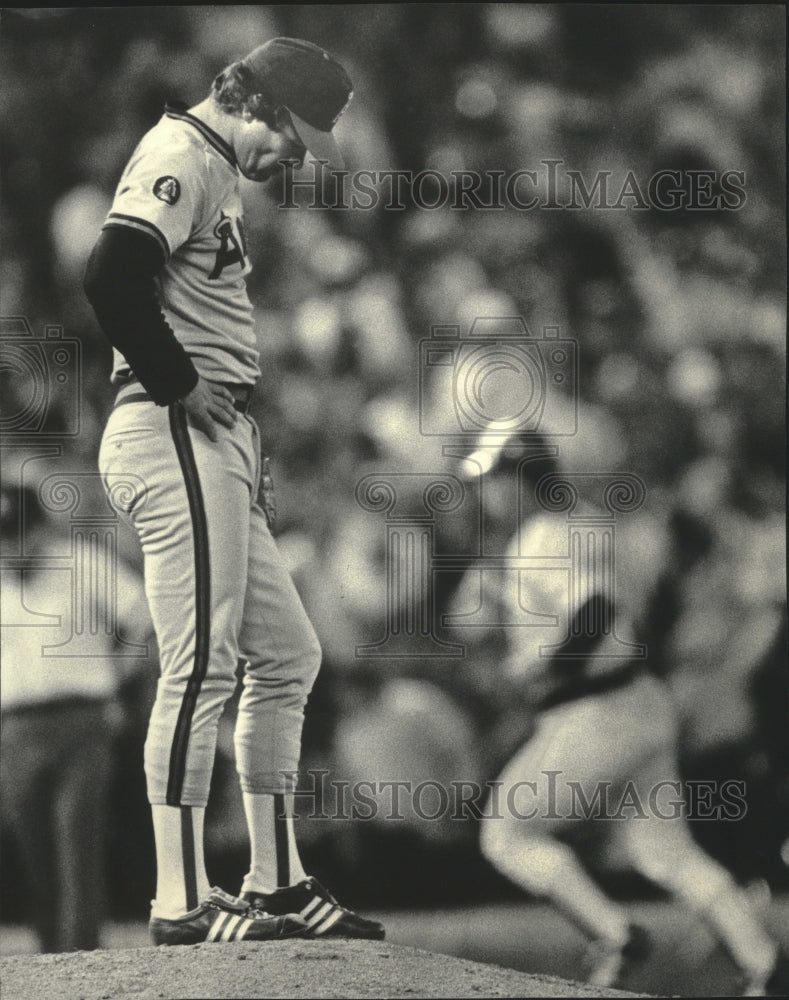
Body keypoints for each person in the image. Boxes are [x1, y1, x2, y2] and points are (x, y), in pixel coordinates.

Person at [84, 36, 384, 946]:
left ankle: (276, 881)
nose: (296, 157)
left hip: (209, 436)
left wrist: (239, 443)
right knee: (201, 667)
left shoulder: (213, 166)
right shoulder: (181, 153)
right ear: (255, 102)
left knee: (288, 655)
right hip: (168, 426)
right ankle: (179, 900)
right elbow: (110, 275)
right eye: (294, 135)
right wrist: (179, 382)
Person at [449, 429, 788, 996]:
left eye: (496, 480)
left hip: (596, 710)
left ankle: (614, 934)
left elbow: (593, 613)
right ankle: (763, 962)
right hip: (636, 701)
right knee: (666, 854)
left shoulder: (542, 534)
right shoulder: (574, 522)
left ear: (522, 479)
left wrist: (537, 667)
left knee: (505, 833)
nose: (488, 494)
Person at [0, 481, 151, 951]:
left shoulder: (81, 562)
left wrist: (119, 676)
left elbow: (142, 615)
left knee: (76, 840)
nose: (11, 546)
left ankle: (81, 953)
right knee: (31, 845)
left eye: (19, 534)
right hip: (15, 725)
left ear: (41, 529)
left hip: (80, 718)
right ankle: (51, 955)